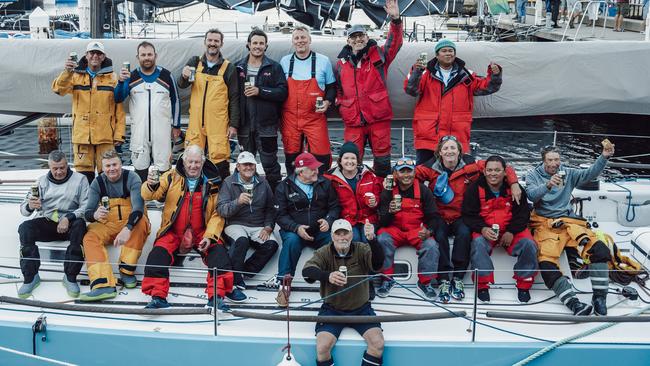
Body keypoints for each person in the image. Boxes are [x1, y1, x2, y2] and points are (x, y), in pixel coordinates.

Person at [415, 135, 521, 303]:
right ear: (439, 152)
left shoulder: (472, 165)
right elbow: (407, 175)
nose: (449, 151)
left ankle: (457, 277)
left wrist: (514, 183)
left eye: (453, 148)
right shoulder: (430, 168)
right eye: (445, 148)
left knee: (464, 234)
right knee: (439, 235)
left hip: (462, 215)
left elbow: (502, 166)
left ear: (459, 150)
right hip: (440, 215)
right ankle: (443, 279)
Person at [141, 145, 236, 310]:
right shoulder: (170, 176)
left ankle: (217, 297)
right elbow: (149, 195)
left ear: (203, 162)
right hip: (172, 231)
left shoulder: (213, 181)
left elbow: (217, 213)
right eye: (190, 162)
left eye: (197, 162)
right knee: (157, 255)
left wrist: (210, 236)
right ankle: (158, 297)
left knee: (220, 255)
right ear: (184, 162)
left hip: (202, 232)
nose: (193, 166)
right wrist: (150, 184)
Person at [525, 142, 615, 315]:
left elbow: (590, 174)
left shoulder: (569, 173)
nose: (554, 164)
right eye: (550, 160)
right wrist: (548, 185)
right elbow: (531, 195)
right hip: (545, 223)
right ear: (543, 161)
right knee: (546, 264)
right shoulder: (533, 175)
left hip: (569, 222)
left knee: (600, 250)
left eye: (557, 159)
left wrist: (604, 157)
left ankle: (599, 297)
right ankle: (573, 303)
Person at [404, 39, 502, 164]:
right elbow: (411, 90)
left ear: (455, 54)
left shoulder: (467, 74)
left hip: (457, 137)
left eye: (451, 51)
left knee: (458, 178)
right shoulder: (424, 73)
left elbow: (488, 88)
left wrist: (495, 75)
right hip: (429, 137)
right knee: (424, 174)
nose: (448, 53)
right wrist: (416, 72)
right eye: (444, 51)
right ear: (437, 55)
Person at [333, 0, 402, 177]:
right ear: (348, 40)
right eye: (354, 37)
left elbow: (394, 43)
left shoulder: (379, 54)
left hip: (378, 120)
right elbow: (339, 90)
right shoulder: (341, 65)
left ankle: (382, 196)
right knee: (351, 162)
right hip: (353, 121)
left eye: (361, 36)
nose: (358, 39)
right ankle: (355, 195)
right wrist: (341, 105)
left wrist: (395, 20)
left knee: (383, 162)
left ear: (366, 36)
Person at [303, 219, 385, 366]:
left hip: (361, 309)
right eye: (338, 234)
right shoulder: (323, 252)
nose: (342, 237)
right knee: (322, 348)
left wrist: (372, 240)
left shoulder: (361, 248)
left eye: (345, 233)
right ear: (332, 236)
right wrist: (328, 276)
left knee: (378, 344)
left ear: (352, 235)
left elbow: (378, 263)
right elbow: (307, 272)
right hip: (332, 310)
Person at [462, 156, 538, 303]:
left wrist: (511, 231)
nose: (493, 173)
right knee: (477, 244)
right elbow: (468, 215)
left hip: (511, 230)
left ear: (505, 172)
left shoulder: (516, 189)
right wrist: (483, 229)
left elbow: (523, 214)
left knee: (529, 245)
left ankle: (524, 284)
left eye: (497, 170)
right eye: (489, 170)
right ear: (484, 171)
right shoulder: (474, 189)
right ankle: (482, 285)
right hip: (486, 230)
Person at [17, 151, 89, 298]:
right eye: (55, 168)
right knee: (25, 228)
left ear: (67, 164)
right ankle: (31, 277)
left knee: (80, 225)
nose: (59, 172)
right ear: (49, 166)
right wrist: (30, 205)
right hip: (49, 222)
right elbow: (24, 210)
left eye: (62, 167)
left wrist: (68, 217)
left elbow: (86, 207)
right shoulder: (40, 182)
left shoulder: (80, 179)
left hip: (71, 223)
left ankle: (70, 277)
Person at [80, 150, 150, 302]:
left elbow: (138, 208)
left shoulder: (132, 177)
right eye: (107, 166)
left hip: (130, 220)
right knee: (89, 237)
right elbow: (88, 212)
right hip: (108, 223)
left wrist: (128, 228)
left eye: (115, 164)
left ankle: (126, 271)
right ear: (102, 168)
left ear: (121, 164)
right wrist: (94, 215)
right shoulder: (97, 183)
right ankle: (102, 284)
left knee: (142, 222)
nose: (112, 168)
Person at [52, 41, 126, 184]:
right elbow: (58, 90)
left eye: (99, 53)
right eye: (92, 53)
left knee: (108, 174)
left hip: (105, 137)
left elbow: (119, 109)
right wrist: (67, 71)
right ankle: (87, 206)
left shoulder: (113, 78)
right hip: (82, 137)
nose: (95, 56)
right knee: (84, 177)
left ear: (104, 57)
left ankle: (107, 203)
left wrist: (119, 134)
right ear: (86, 55)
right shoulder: (74, 76)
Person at [275, 152, 340, 305]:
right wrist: (296, 228)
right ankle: (283, 285)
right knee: (291, 241)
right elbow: (280, 216)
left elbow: (335, 207)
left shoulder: (325, 183)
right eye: (313, 169)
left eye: (316, 168)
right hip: (294, 230)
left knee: (334, 242)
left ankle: (332, 281)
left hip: (320, 230)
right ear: (301, 171)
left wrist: (328, 221)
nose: (317, 171)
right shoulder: (283, 187)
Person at [375, 158, 444, 299]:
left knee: (431, 245)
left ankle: (425, 282)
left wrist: (429, 231)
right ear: (395, 174)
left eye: (409, 171)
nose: (406, 175)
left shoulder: (424, 191)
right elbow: (383, 222)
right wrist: (390, 212)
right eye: (402, 171)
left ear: (414, 173)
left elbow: (434, 216)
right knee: (382, 238)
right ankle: (387, 279)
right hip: (394, 229)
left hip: (416, 230)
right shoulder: (387, 192)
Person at [114, 41, 181, 183]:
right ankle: (142, 200)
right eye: (143, 55)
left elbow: (176, 101)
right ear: (137, 57)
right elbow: (118, 97)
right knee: (140, 167)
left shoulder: (166, 76)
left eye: (149, 54)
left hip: (162, 131)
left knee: (163, 166)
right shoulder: (131, 77)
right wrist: (120, 82)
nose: (147, 58)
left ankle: (162, 199)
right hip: (139, 131)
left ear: (155, 56)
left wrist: (176, 126)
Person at [178, 28, 239, 181]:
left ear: (221, 44)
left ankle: (221, 195)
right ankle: (192, 192)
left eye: (216, 41)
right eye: (210, 40)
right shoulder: (195, 62)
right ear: (205, 42)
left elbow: (235, 98)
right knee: (192, 158)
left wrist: (234, 125)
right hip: (196, 122)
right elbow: (181, 84)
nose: (213, 44)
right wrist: (184, 76)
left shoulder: (228, 68)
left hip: (218, 122)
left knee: (219, 158)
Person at [217, 151, 279, 300]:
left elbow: (271, 208)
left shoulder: (262, 182)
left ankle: (245, 271)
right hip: (236, 223)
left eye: (251, 164)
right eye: (245, 164)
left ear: (255, 166)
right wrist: (237, 202)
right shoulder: (228, 182)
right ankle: (234, 278)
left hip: (258, 225)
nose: (248, 167)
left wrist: (268, 226)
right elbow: (221, 209)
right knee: (241, 241)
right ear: (238, 166)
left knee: (272, 244)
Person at [280, 26, 337, 175]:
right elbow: (280, 90)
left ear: (310, 40)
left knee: (322, 157)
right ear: (292, 41)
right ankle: (293, 189)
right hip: (290, 119)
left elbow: (332, 87)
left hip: (315, 118)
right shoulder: (285, 61)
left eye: (303, 37)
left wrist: (327, 102)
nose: (300, 41)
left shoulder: (323, 61)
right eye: (297, 38)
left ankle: (320, 189)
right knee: (292, 158)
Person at [235, 29, 288, 191]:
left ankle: (275, 199)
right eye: (255, 43)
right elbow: (232, 96)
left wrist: (261, 91)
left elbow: (282, 93)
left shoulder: (274, 67)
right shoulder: (238, 68)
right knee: (245, 164)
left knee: (270, 165)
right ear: (248, 45)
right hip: (245, 127)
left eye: (261, 43)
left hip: (267, 127)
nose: (258, 46)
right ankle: (246, 197)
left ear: (266, 46)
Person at [324, 142, 383, 243]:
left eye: (353, 158)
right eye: (346, 158)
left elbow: (380, 196)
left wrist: (375, 201)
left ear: (358, 160)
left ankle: (370, 259)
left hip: (369, 219)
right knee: (353, 239)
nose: (349, 161)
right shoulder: (331, 179)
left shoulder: (369, 175)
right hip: (346, 220)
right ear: (340, 160)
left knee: (367, 239)